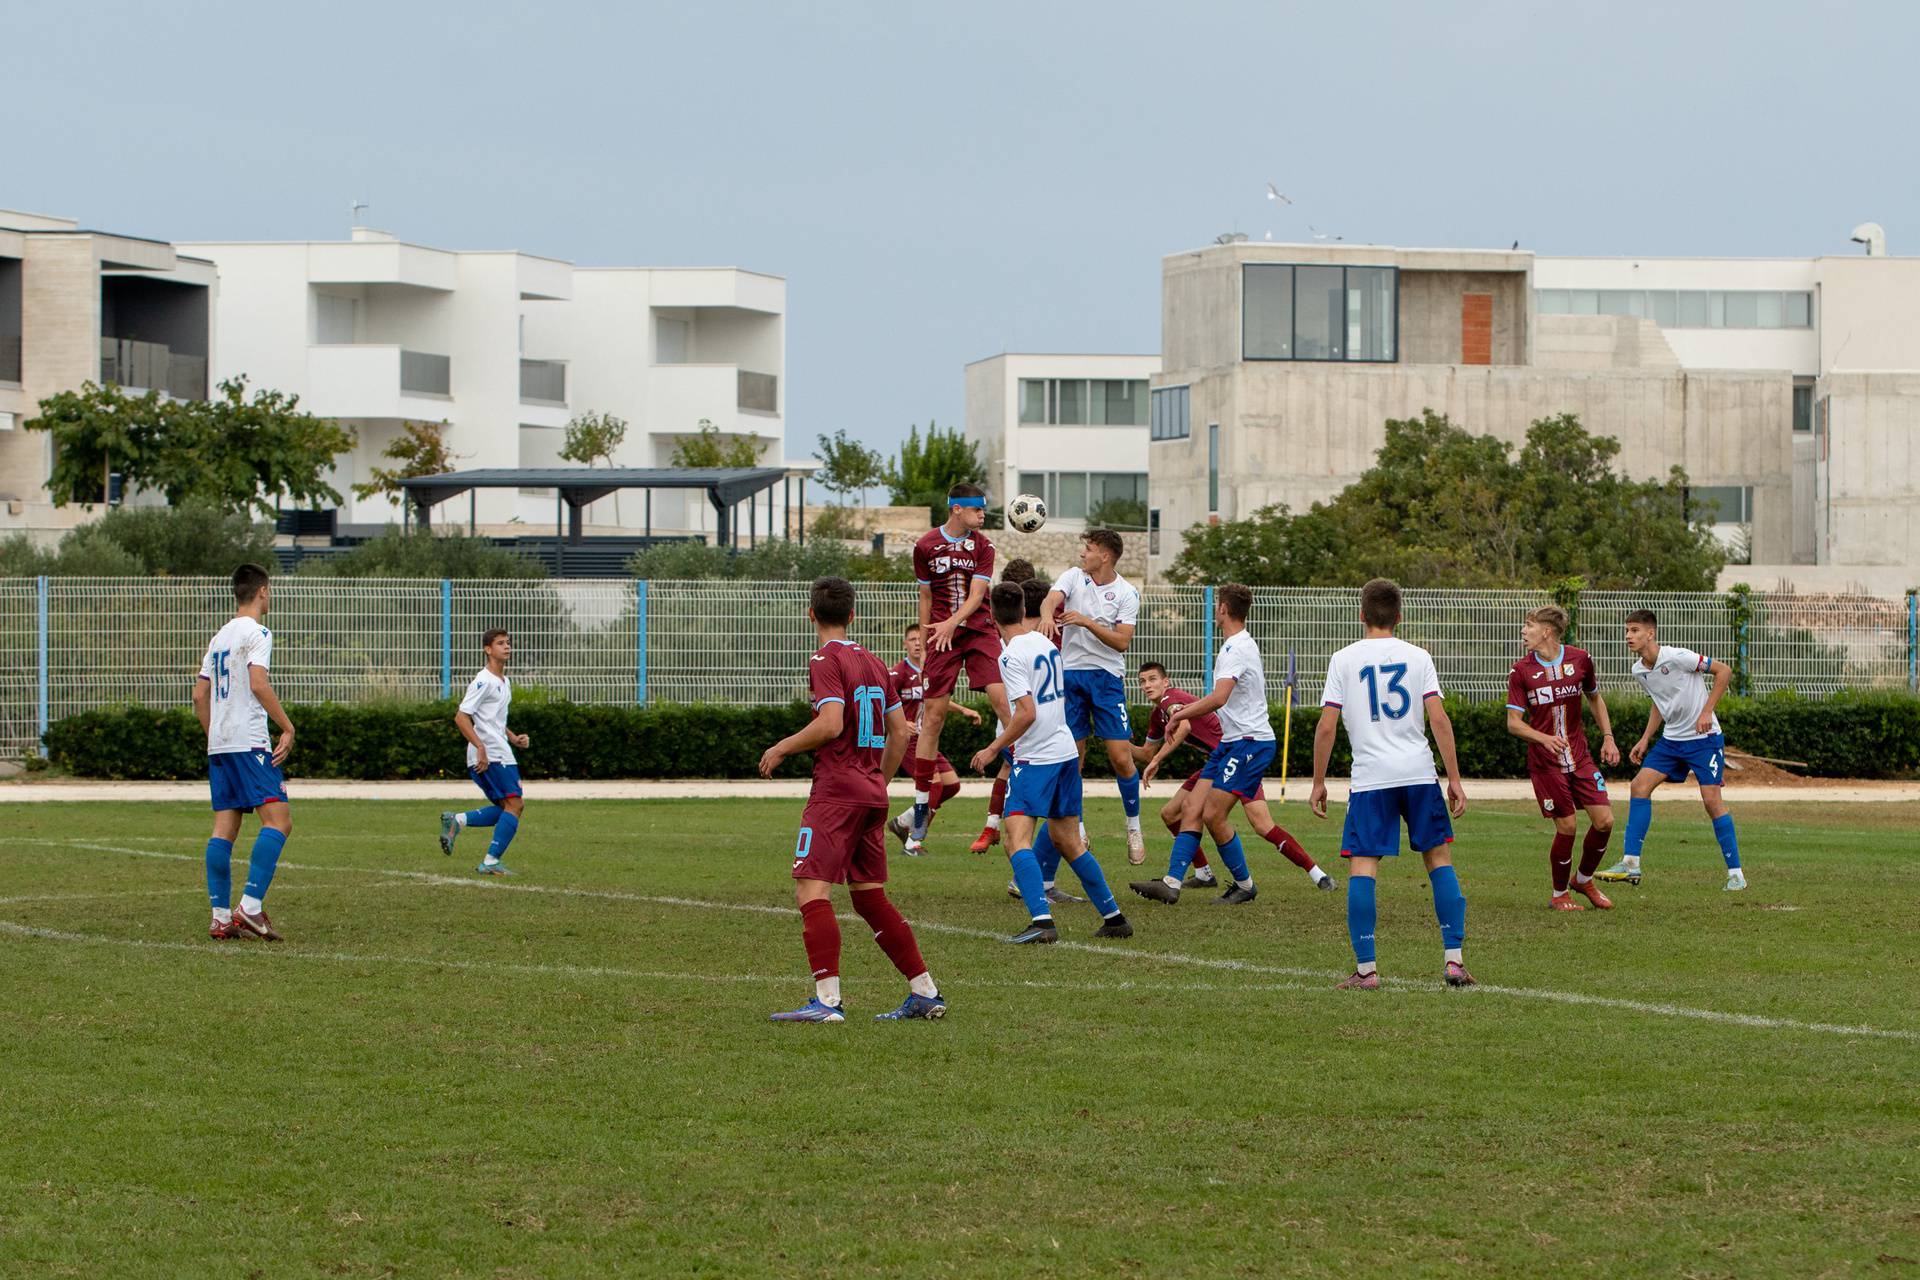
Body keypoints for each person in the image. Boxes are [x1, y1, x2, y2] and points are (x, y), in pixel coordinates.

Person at [760, 577, 946, 1022]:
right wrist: (876, 782)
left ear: (811, 615)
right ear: (853, 616)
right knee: (868, 897)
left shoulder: (824, 659)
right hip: (869, 793)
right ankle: (925, 992)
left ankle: (826, 1002)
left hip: (836, 793)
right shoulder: (876, 662)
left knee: (811, 888)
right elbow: (901, 732)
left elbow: (829, 723)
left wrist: (782, 747)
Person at [1309, 578, 1473, 989]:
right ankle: (1454, 962)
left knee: (1363, 867)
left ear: (1362, 615)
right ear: (1399, 617)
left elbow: (1327, 726)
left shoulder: (1343, 659)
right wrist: (1453, 779)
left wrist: (1318, 782)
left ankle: (1367, 970)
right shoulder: (1418, 657)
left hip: (1371, 780)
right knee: (1438, 860)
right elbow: (1439, 719)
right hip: (1419, 773)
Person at [970, 580, 1132, 944]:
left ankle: (1042, 921)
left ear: (993, 615)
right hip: (1065, 753)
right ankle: (1114, 917)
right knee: (1067, 840)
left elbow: (1025, 713)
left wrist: (994, 748)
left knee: (1016, 840)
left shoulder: (1010, 655)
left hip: (1037, 758)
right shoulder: (1046, 643)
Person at [1128, 584, 1269, 907]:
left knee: (1214, 814)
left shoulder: (1235, 649)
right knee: (1190, 808)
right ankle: (1172, 882)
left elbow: (1218, 699)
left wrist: (1180, 716)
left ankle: (1244, 884)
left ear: (1222, 609)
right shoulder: (1237, 645)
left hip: (1249, 743)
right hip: (1233, 744)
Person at [1135, 661, 1332, 891]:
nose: (1147, 685)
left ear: (1165, 682)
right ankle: (1203, 874)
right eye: (1142, 681)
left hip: (1236, 759)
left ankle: (1317, 875)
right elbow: (1146, 753)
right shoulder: (1156, 715)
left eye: (1152, 679)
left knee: (1259, 824)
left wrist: (1158, 760)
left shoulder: (1171, 699)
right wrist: (1114, 740)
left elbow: (1184, 726)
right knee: (1171, 813)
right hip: (1218, 762)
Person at [1598, 609, 1746, 891]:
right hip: (1672, 741)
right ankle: (1631, 863)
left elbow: (1724, 671)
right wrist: (1645, 738)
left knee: (1711, 803)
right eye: (1627, 631)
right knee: (1639, 786)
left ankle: (1736, 874)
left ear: (1650, 633)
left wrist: (1706, 712)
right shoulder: (1639, 669)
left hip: (1705, 739)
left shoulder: (1677, 656)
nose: (1628, 636)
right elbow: (1660, 702)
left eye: (1634, 630)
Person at [193, 563, 295, 942]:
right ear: (263, 591)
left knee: (224, 829)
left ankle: (220, 916)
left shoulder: (219, 637)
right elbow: (258, 682)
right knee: (279, 821)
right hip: (249, 741)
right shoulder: (258, 632)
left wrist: (214, 736)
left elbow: (199, 694)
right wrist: (287, 726)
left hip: (220, 744)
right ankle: (250, 908)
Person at [910, 483, 1012, 844]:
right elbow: (925, 596)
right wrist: (924, 642)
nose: (982, 516)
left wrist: (954, 622)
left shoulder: (984, 546)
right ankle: (921, 805)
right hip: (940, 635)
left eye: (983, 510)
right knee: (933, 716)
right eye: (976, 510)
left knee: (1003, 702)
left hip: (979, 630)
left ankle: (1023, 773)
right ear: (956, 509)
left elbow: (978, 594)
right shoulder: (924, 546)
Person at [1040, 530, 1147, 864]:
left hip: (1106, 678)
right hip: (1070, 675)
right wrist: (1047, 613)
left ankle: (1133, 826)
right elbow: (1051, 598)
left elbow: (1121, 642)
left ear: (1105, 556)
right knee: (1073, 758)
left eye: (1088, 549)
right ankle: (1080, 827)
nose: (1081, 553)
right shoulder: (1074, 576)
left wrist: (1086, 622)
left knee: (1120, 757)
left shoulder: (1127, 593)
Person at [1503, 605, 1618, 910]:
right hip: (1545, 764)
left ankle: (1582, 879)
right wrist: (1544, 739)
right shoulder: (1521, 671)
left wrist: (1608, 736)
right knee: (1566, 826)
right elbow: (1513, 724)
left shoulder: (1580, 659)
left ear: (1547, 631)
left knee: (1605, 821)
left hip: (1580, 757)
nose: (1523, 631)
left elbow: (1594, 697)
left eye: (1529, 626)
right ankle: (1559, 895)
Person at [439, 629, 531, 876]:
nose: (507, 647)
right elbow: (461, 717)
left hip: (500, 751)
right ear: (488, 649)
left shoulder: (504, 681)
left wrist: (513, 737)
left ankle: (457, 821)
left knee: (507, 808)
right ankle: (490, 862)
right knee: (515, 804)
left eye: (508, 642)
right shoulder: (483, 681)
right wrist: (481, 747)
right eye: (500, 643)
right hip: (491, 755)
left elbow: (493, 719)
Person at [886, 622, 981, 854]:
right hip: (909, 743)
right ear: (904, 644)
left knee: (951, 786)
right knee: (935, 788)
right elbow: (878, 701)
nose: (918, 643)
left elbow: (937, 701)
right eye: (912, 640)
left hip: (927, 740)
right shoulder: (898, 673)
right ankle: (912, 843)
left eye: (921, 639)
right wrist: (897, 722)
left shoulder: (930, 670)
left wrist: (963, 710)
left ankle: (902, 822)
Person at [971, 558, 1036, 854]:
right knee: (1010, 764)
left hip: (1036, 710)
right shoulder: (996, 635)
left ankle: (999, 829)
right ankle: (993, 827)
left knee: (1020, 768)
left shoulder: (1039, 632)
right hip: (1014, 708)